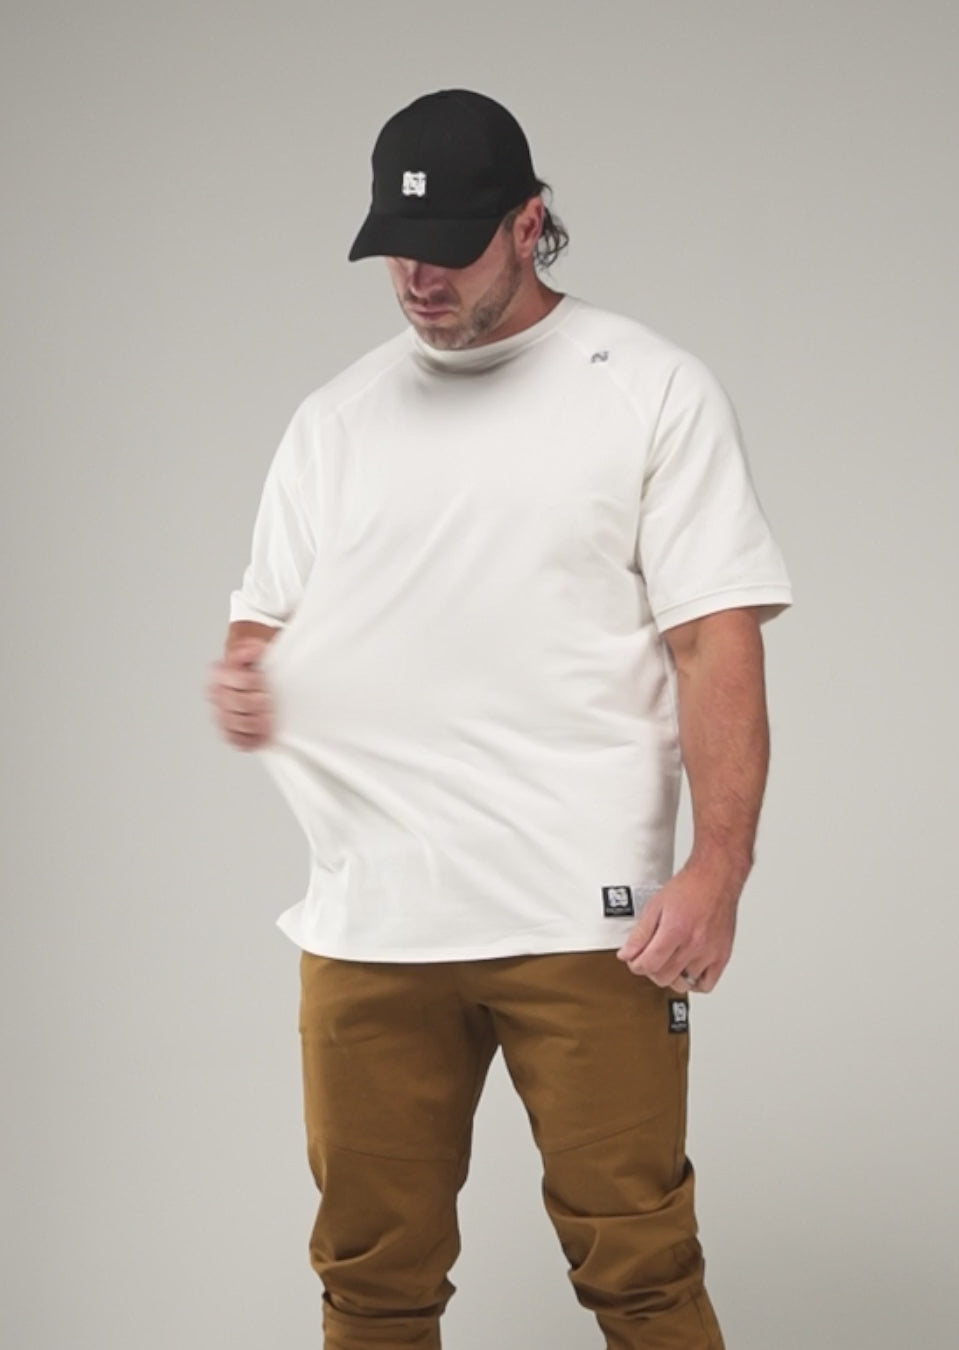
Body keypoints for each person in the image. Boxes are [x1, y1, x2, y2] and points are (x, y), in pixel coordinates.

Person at [206, 87, 793, 1350]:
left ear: (530, 224)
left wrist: (718, 869)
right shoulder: (334, 422)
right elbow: (263, 627)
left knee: (641, 1267)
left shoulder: (647, 388)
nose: (419, 279)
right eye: (396, 250)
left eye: (452, 246)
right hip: (372, 923)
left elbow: (714, 638)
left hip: (588, 925)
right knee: (370, 1280)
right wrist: (248, 677)